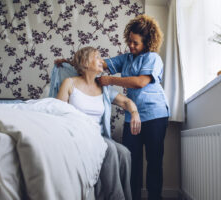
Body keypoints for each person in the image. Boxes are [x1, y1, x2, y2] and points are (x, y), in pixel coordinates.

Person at [96, 14, 170, 200]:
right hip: (132, 116)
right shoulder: (126, 58)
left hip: (155, 115)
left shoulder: (153, 58)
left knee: (153, 161)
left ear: (147, 42)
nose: (131, 45)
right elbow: (100, 63)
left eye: (136, 43)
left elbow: (139, 82)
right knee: (130, 161)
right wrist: (71, 62)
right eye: (130, 41)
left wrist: (110, 80)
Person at [55, 47, 141, 200]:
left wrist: (134, 113)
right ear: (85, 63)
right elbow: (58, 113)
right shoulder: (69, 83)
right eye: (97, 57)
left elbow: (127, 102)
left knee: (125, 153)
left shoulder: (104, 88)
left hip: (99, 137)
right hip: (77, 136)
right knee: (112, 151)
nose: (102, 61)